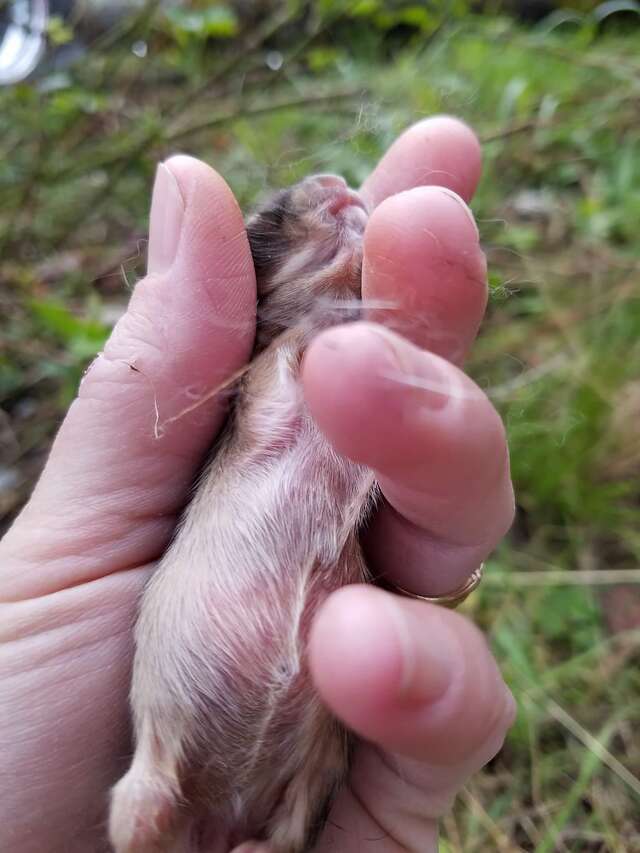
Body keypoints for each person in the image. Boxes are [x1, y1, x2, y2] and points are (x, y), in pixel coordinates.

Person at [0, 116, 516, 852]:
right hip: (170, 747)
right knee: (148, 814)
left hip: (300, 754)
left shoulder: (357, 376)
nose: (339, 200)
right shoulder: (262, 371)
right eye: (302, 224)